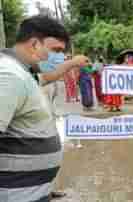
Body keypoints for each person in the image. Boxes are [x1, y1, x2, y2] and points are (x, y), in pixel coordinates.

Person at [0, 15, 87, 202]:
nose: (60, 57)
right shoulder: (9, 76)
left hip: (29, 191)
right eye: (56, 50)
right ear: (34, 45)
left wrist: (72, 63)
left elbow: (47, 77)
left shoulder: (24, 72)